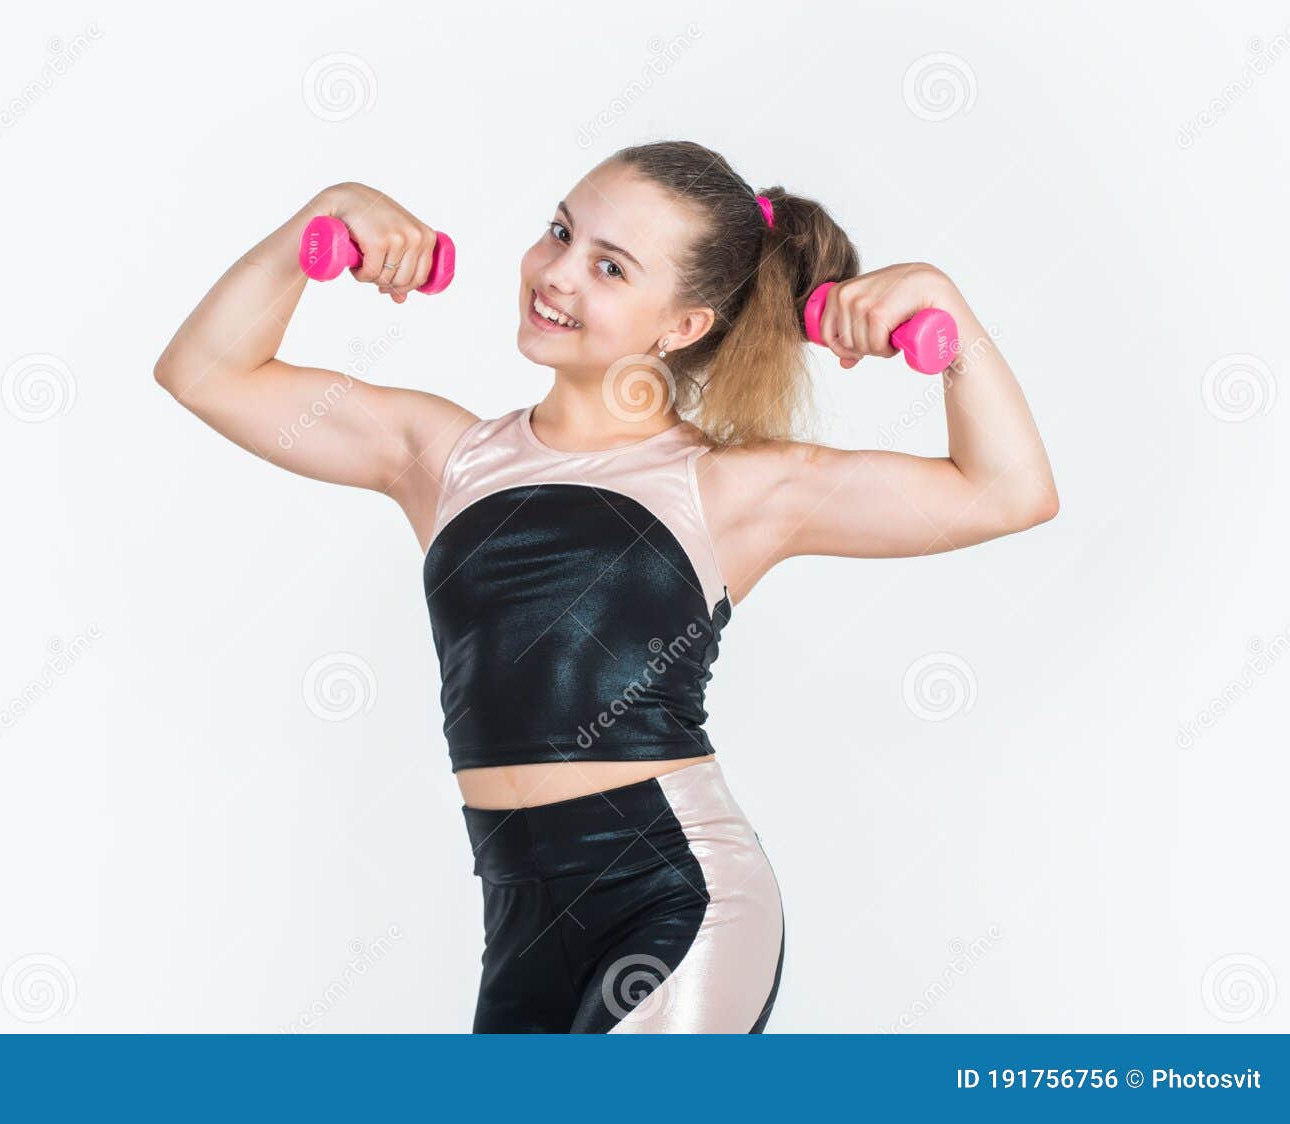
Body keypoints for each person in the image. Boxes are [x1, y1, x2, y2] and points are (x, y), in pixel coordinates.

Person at [153, 139, 1059, 1033]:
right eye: (559, 232)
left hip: (677, 901)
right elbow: (204, 372)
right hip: (516, 920)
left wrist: (946, 310)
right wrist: (323, 215)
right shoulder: (443, 458)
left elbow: (1008, 491)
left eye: (611, 267)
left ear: (683, 326)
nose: (557, 274)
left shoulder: (733, 490)